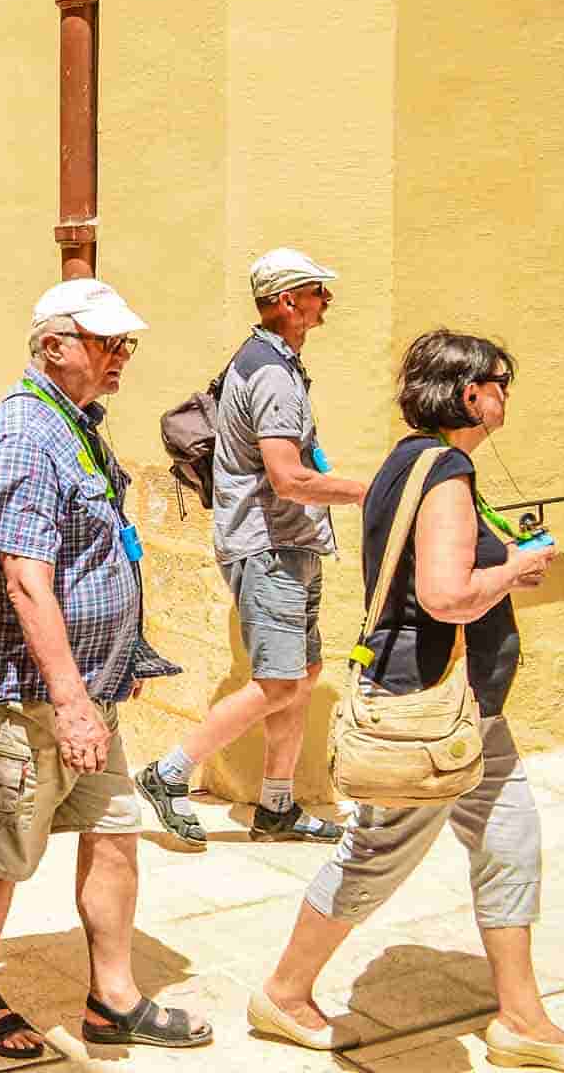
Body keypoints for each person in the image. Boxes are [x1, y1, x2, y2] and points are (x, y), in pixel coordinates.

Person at [252, 332, 564, 1072]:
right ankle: (284, 991)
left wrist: (498, 567)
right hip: (429, 710)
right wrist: (519, 567)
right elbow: (444, 595)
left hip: (467, 714)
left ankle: (521, 1017)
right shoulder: (447, 472)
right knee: (376, 853)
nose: (506, 395)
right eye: (501, 382)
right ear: (471, 393)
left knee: (510, 842)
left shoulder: (412, 458)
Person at [0, 279, 212, 1059]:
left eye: (125, 342)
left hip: (87, 692)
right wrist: (68, 699)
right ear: (54, 345)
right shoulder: (28, 433)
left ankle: (113, 999)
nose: (122, 354)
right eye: (106, 341)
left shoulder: (77, 425)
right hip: (29, 699)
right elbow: (26, 577)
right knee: (2, 854)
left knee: (116, 830)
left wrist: (112, 664)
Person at [135, 249, 366, 849]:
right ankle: (169, 773)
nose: (326, 302)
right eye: (317, 291)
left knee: (302, 672)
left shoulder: (270, 361)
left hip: (286, 542)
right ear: (287, 301)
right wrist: (372, 490)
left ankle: (278, 806)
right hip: (270, 545)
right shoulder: (270, 373)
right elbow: (288, 477)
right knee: (279, 683)